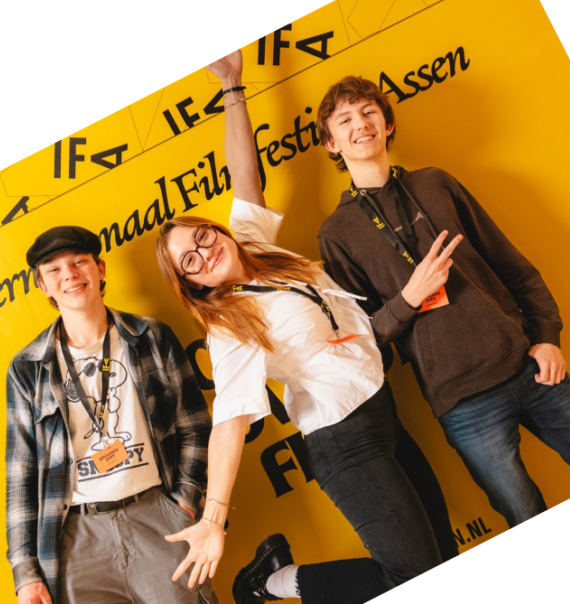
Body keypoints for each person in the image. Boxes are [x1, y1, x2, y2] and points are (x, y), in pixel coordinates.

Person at [155, 50, 457, 604]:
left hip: (382, 411)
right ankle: (270, 582)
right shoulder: (230, 326)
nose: (204, 252)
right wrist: (214, 518)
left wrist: (232, 86)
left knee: (444, 560)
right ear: (190, 284)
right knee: (410, 577)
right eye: (189, 261)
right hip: (344, 442)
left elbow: (244, 173)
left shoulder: (256, 249)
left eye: (203, 237)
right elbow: (229, 423)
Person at [315, 75, 570, 529]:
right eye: (345, 119)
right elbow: (364, 338)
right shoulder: (336, 233)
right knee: (526, 518)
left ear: (388, 124)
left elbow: (511, 265)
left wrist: (548, 336)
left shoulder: (436, 183)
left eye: (369, 112)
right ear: (331, 143)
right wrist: (409, 298)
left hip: (530, 366)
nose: (361, 124)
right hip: (462, 404)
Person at [5, 225, 216, 604]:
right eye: (54, 270)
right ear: (42, 285)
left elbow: (195, 426)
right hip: (76, 539)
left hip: (158, 516)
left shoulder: (151, 337)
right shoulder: (28, 367)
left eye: (79, 262)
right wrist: (25, 571)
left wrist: (183, 503)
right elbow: (21, 473)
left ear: (100, 268)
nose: (69, 275)